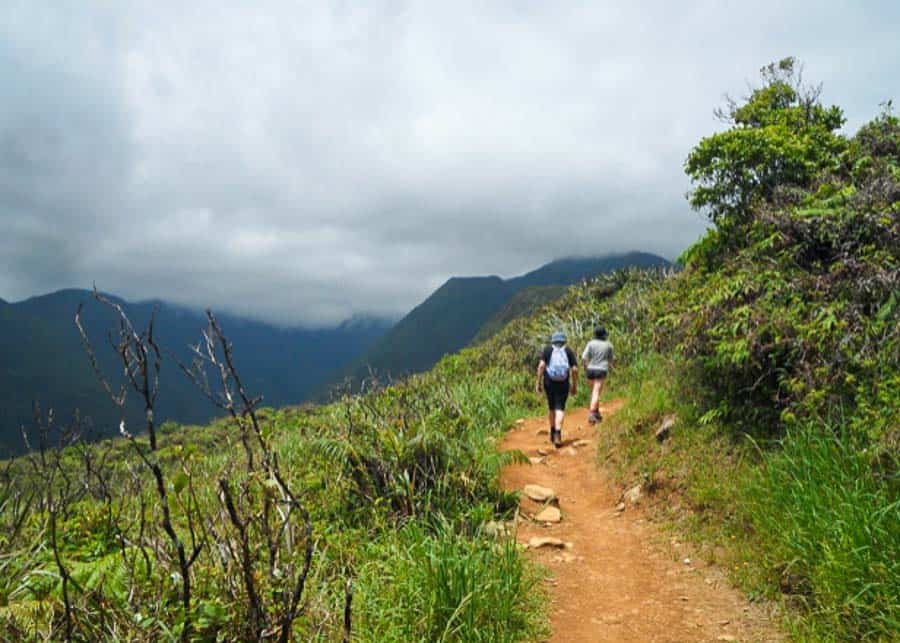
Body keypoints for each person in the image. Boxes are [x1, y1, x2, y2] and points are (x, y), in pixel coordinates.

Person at [535, 331, 578, 448]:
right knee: (560, 408)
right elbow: (574, 369)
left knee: (551, 407)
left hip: (549, 383)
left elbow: (541, 366)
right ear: (564, 341)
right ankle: (558, 434)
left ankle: (552, 431)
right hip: (563, 384)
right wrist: (574, 385)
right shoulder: (568, 351)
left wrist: (538, 382)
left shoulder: (547, 350)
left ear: (553, 341)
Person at [581, 326, 613, 424]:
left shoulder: (590, 344)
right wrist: (610, 368)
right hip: (601, 370)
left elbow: (584, 357)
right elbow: (610, 360)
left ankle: (596, 413)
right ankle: (592, 413)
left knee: (594, 392)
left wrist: (586, 368)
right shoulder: (608, 345)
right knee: (596, 392)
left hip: (590, 369)